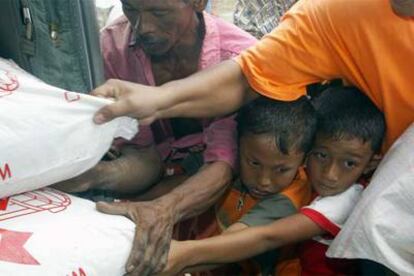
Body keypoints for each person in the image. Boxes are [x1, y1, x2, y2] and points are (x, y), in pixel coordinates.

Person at [89, 0, 414, 273]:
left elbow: (265, 236)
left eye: (159, 12)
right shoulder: (339, 11)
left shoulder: (334, 196)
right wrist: (159, 99)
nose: (144, 27)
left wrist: (183, 254)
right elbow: (250, 78)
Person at [54, 0, 256, 275]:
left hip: (223, 191)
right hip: (159, 178)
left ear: (198, 3)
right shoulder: (113, 48)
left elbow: (224, 165)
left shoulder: (241, 57)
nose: (142, 27)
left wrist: (164, 210)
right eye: (131, 9)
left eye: (159, 12)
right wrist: (93, 176)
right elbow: (143, 156)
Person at [160, 86, 386, 276]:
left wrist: (182, 254)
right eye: (322, 156)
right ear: (306, 152)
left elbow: (267, 237)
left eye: (349, 163)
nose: (330, 175)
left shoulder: (346, 199)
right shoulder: (293, 168)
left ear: (371, 164)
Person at [174, 96, 316, 275]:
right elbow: (175, 184)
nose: (264, 181)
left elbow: (234, 241)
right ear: (237, 145)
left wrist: (175, 259)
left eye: (281, 170)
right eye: (254, 164)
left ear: (304, 161)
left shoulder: (289, 198)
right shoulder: (227, 163)